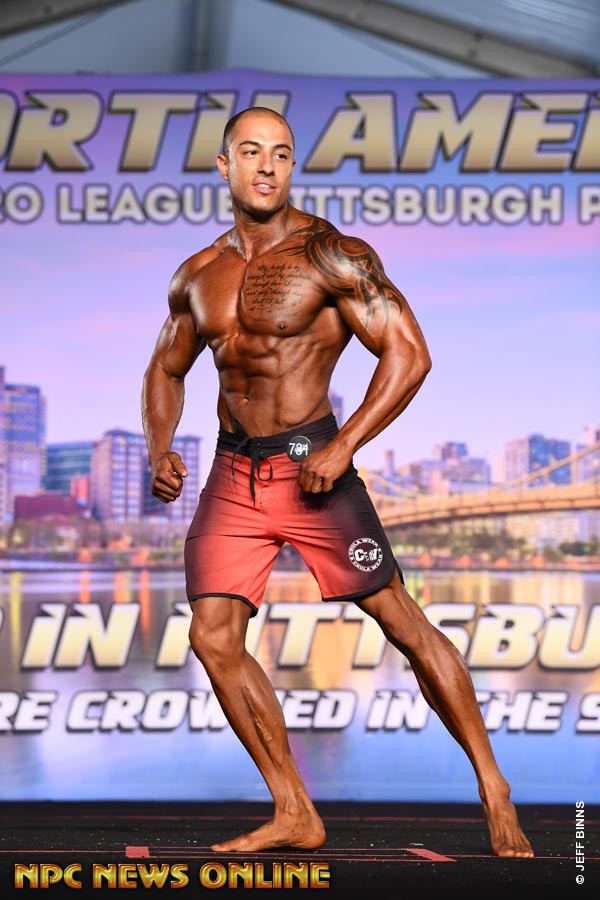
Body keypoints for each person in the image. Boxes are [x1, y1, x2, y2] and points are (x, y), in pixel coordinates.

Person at [141, 106, 533, 858]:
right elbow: (165, 367)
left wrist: (345, 444)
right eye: (250, 152)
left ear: (292, 167)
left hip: (313, 465)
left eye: (281, 154)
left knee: (402, 623)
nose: (266, 166)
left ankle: (493, 785)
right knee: (212, 638)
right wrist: (160, 448)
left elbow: (409, 354)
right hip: (233, 469)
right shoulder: (197, 274)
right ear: (224, 165)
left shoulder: (332, 255)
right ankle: (294, 809)